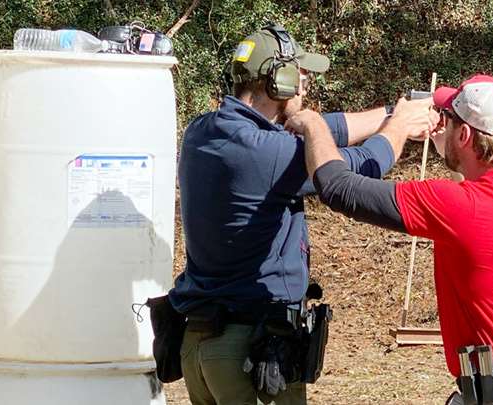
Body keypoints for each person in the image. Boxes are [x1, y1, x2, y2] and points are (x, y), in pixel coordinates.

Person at [167, 23, 435, 405]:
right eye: (301, 75)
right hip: (249, 351)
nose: (306, 84)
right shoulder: (267, 152)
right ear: (279, 79)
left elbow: (325, 131)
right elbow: (359, 165)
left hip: (202, 346)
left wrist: (394, 113)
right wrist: (401, 129)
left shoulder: (205, 130)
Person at [294, 74, 493, 405]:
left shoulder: (458, 205)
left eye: (451, 120)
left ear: (466, 134)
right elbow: (480, 211)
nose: (443, 125)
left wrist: (314, 123)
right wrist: (451, 144)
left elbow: (339, 188)